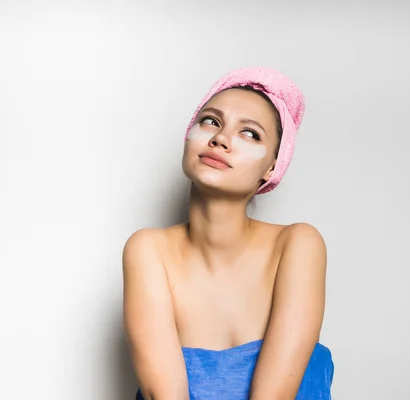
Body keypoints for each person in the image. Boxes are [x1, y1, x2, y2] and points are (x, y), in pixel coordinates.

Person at [122, 67, 334, 400]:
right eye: (210, 121)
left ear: (272, 168)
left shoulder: (297, 244)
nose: (221, 139)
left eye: (250, 134)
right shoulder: (148, 250)